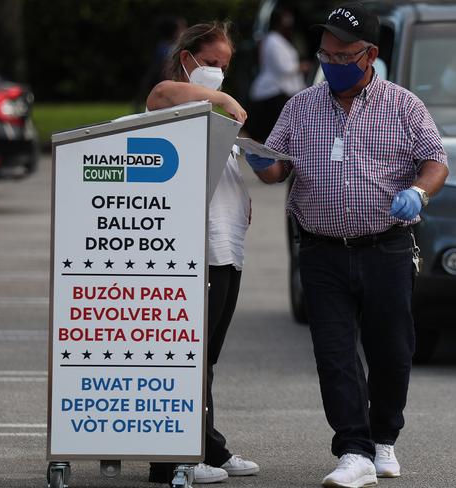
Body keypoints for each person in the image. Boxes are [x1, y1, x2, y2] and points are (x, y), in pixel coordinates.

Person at [244, 3, 449, 487]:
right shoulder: (300, 106)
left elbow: (435, 161)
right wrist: (256, 158)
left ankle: (384, 440)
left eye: (343, 55)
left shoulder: (403, 105)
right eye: (325, 54)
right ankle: (352, 449)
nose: (331, 62)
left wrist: (418, 192)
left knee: (391, 349)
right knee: (333, 353)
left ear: (370, 54)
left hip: (386, 248)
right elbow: (277, 169)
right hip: (321, 250)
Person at [146, 21, 259, 485]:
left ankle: (206, 446)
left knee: (206, 357)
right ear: (188, 57)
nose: (217, 74)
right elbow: (163, 92)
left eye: (225, 68)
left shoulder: (212, 117)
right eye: (211, 63)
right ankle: (173, 458)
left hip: (226, 248)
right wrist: (224, 99)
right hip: (195, 251)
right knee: (188, 355)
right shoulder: (171, 99)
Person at [247, 8, 308, 142]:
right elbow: (283, 68)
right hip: (272, 92)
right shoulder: (273, 41)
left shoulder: (281, 40)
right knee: (269, 134)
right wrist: (301, 67)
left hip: (281, 92)